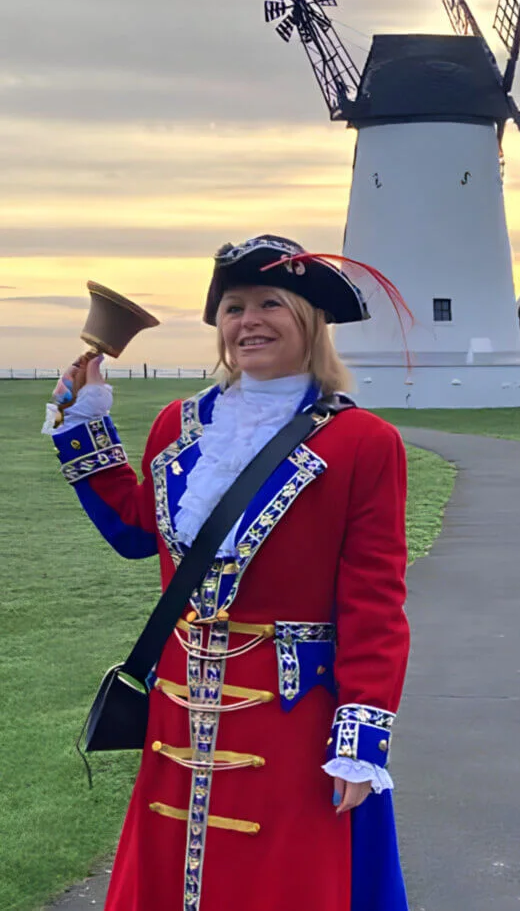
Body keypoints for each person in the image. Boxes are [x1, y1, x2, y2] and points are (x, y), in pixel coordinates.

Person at [45, 235, 411, 911]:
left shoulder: (365, 443)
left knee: (285, 881)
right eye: (234, 307)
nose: (249, 321)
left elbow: (375, 600)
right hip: (178, 704)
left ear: (310, 321)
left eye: (271, 303)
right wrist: (82, 425)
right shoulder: (177, 426)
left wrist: (360, 737)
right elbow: (137, 532)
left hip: (295, 714)